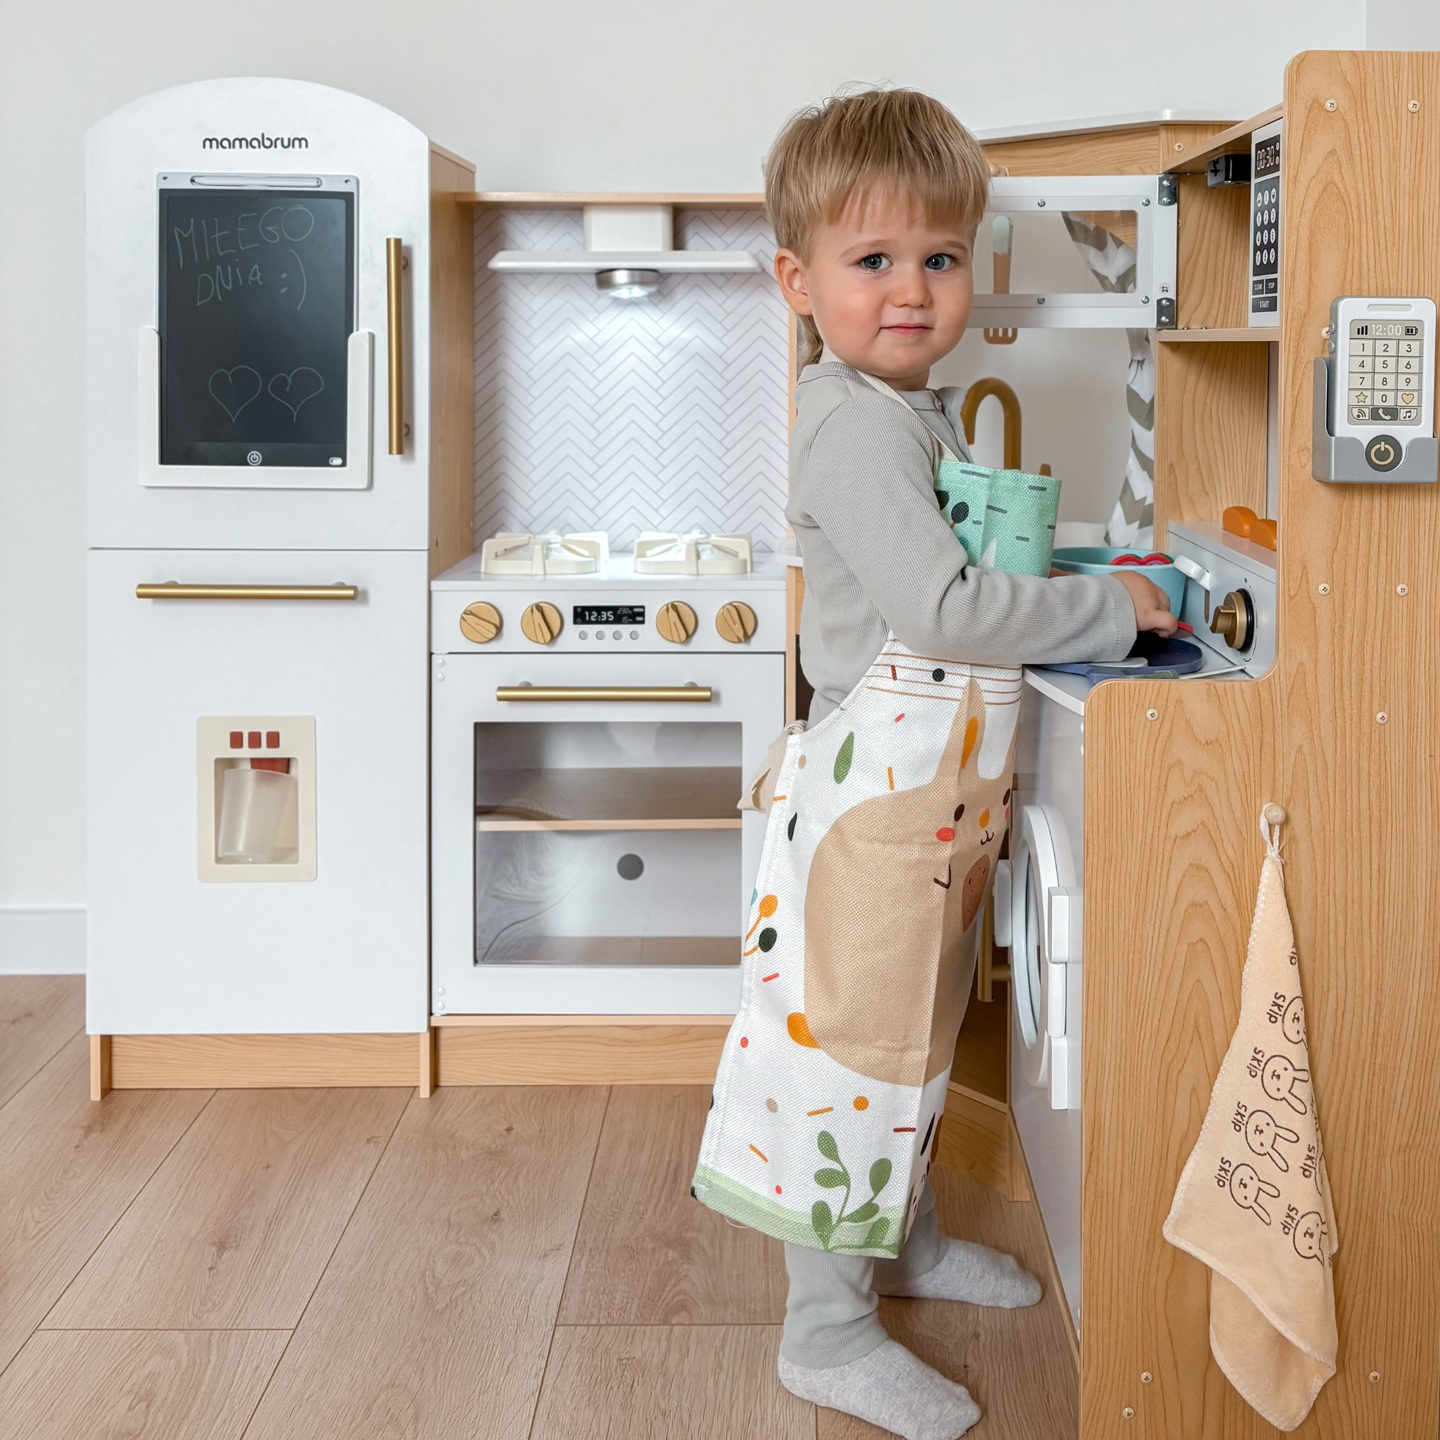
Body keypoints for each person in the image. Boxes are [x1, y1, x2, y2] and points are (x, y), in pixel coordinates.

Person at [694, 88, 1176, 1440]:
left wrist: (1083, 572)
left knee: (915, 1043)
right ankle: (825, 1331)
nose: (911, 288)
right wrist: (1112, 609)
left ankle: (895, 1251)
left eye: (940, 259)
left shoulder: (912, 409)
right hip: (873, 810)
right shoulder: (854, 422)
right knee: (855, 1059)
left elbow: (962, 568)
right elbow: (949, 611)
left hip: (929, 808)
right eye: (872, 261)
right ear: (799, 282)